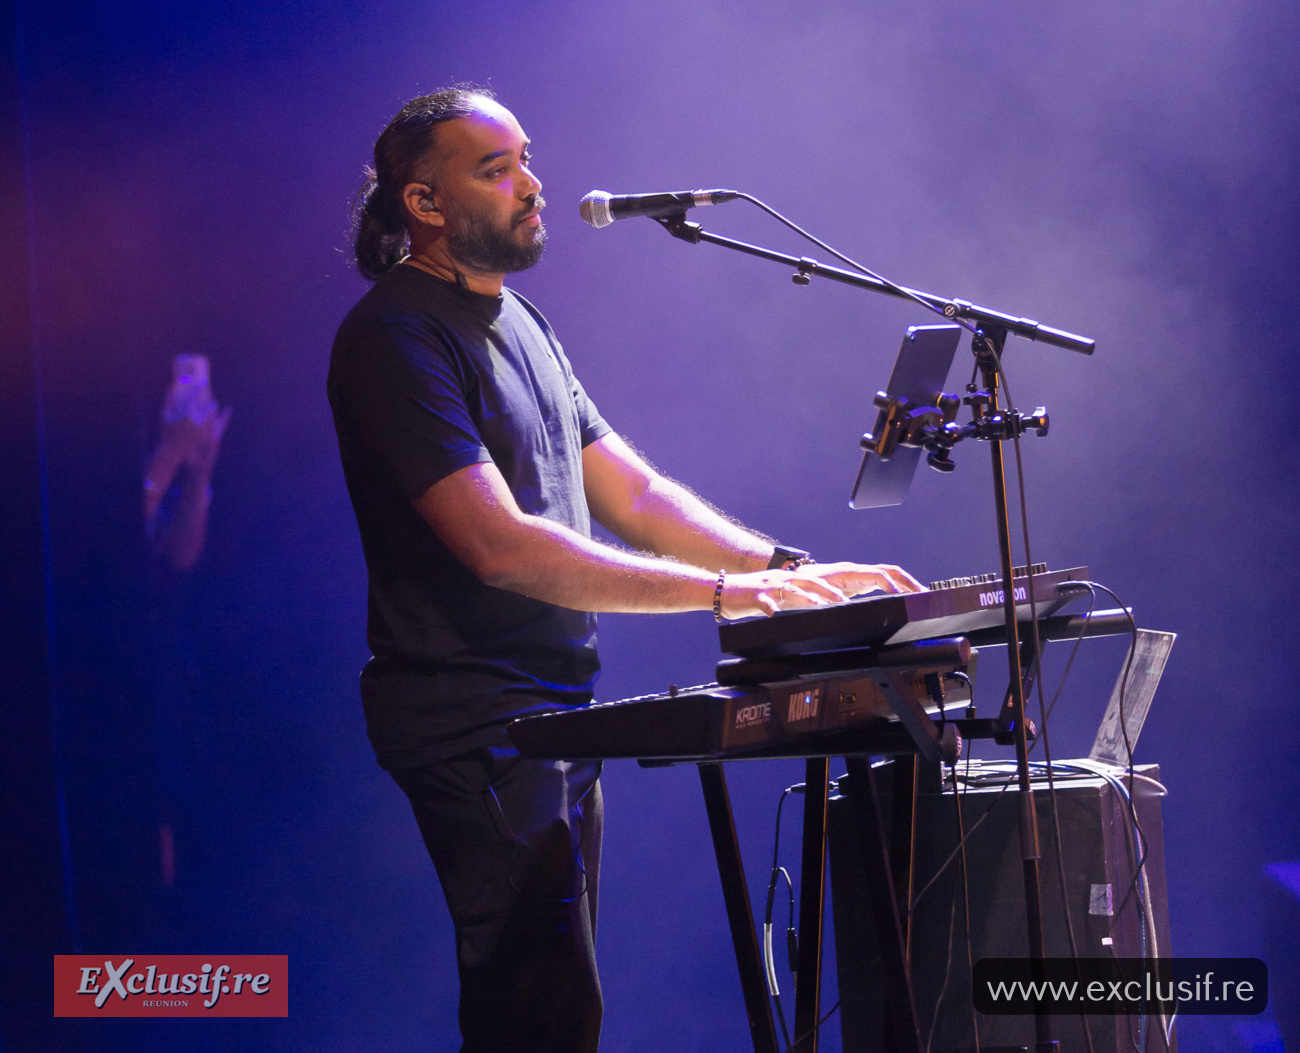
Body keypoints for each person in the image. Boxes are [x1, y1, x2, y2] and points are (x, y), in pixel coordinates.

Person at [327, 87, 922, 1053]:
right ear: (424, 203)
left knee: (559, 1017)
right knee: (538, 1021)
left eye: (526, 159)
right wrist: (725, 594)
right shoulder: (395, 337)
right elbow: (501, 546)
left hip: (552, 709)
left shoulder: (521, 320)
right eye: (497, 169)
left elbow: (635, 495)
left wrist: (784, 572)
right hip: (474, 721)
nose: (532, 185)